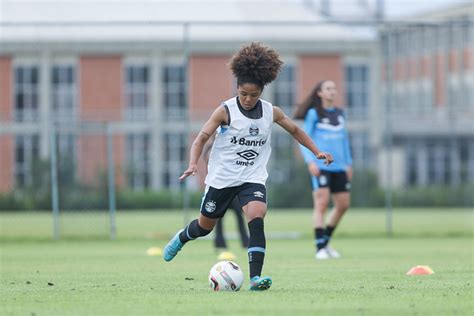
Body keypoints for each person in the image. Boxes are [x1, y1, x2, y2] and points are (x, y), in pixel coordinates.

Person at [163, 42, 333, 291]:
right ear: (237, 88)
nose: (248, 99)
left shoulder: (270, 112)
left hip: (252, 177)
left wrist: (317, 151)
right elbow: (201, 138)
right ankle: (181, 237)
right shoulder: (225, 111)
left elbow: (296, 130)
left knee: (257, 214)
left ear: (262, 91)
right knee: (204, 227)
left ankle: (255, 278)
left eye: (254, 95)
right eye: (243, 93)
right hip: (221, 178)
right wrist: (192, 164)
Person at [293, 80, 353, 260]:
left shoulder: (341, 114)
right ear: (319, 93)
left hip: (340, 167)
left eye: (334, 88)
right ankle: (320, 247)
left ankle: (326, 243)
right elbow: (304, 139)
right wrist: (310, 161)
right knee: (322, 203)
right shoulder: (314, 114)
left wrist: (349, 163)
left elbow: (344, 141)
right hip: (321, 166)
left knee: (343, 205)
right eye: (328, 89)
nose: (332, 91)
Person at [202, 136, 249, 257]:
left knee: (239, 214)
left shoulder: (230, 145)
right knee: (218, 217)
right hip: (219, 186)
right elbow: (209, 161)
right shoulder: (211, 148)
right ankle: (220, 243)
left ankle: (245, 241)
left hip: (233, 187)